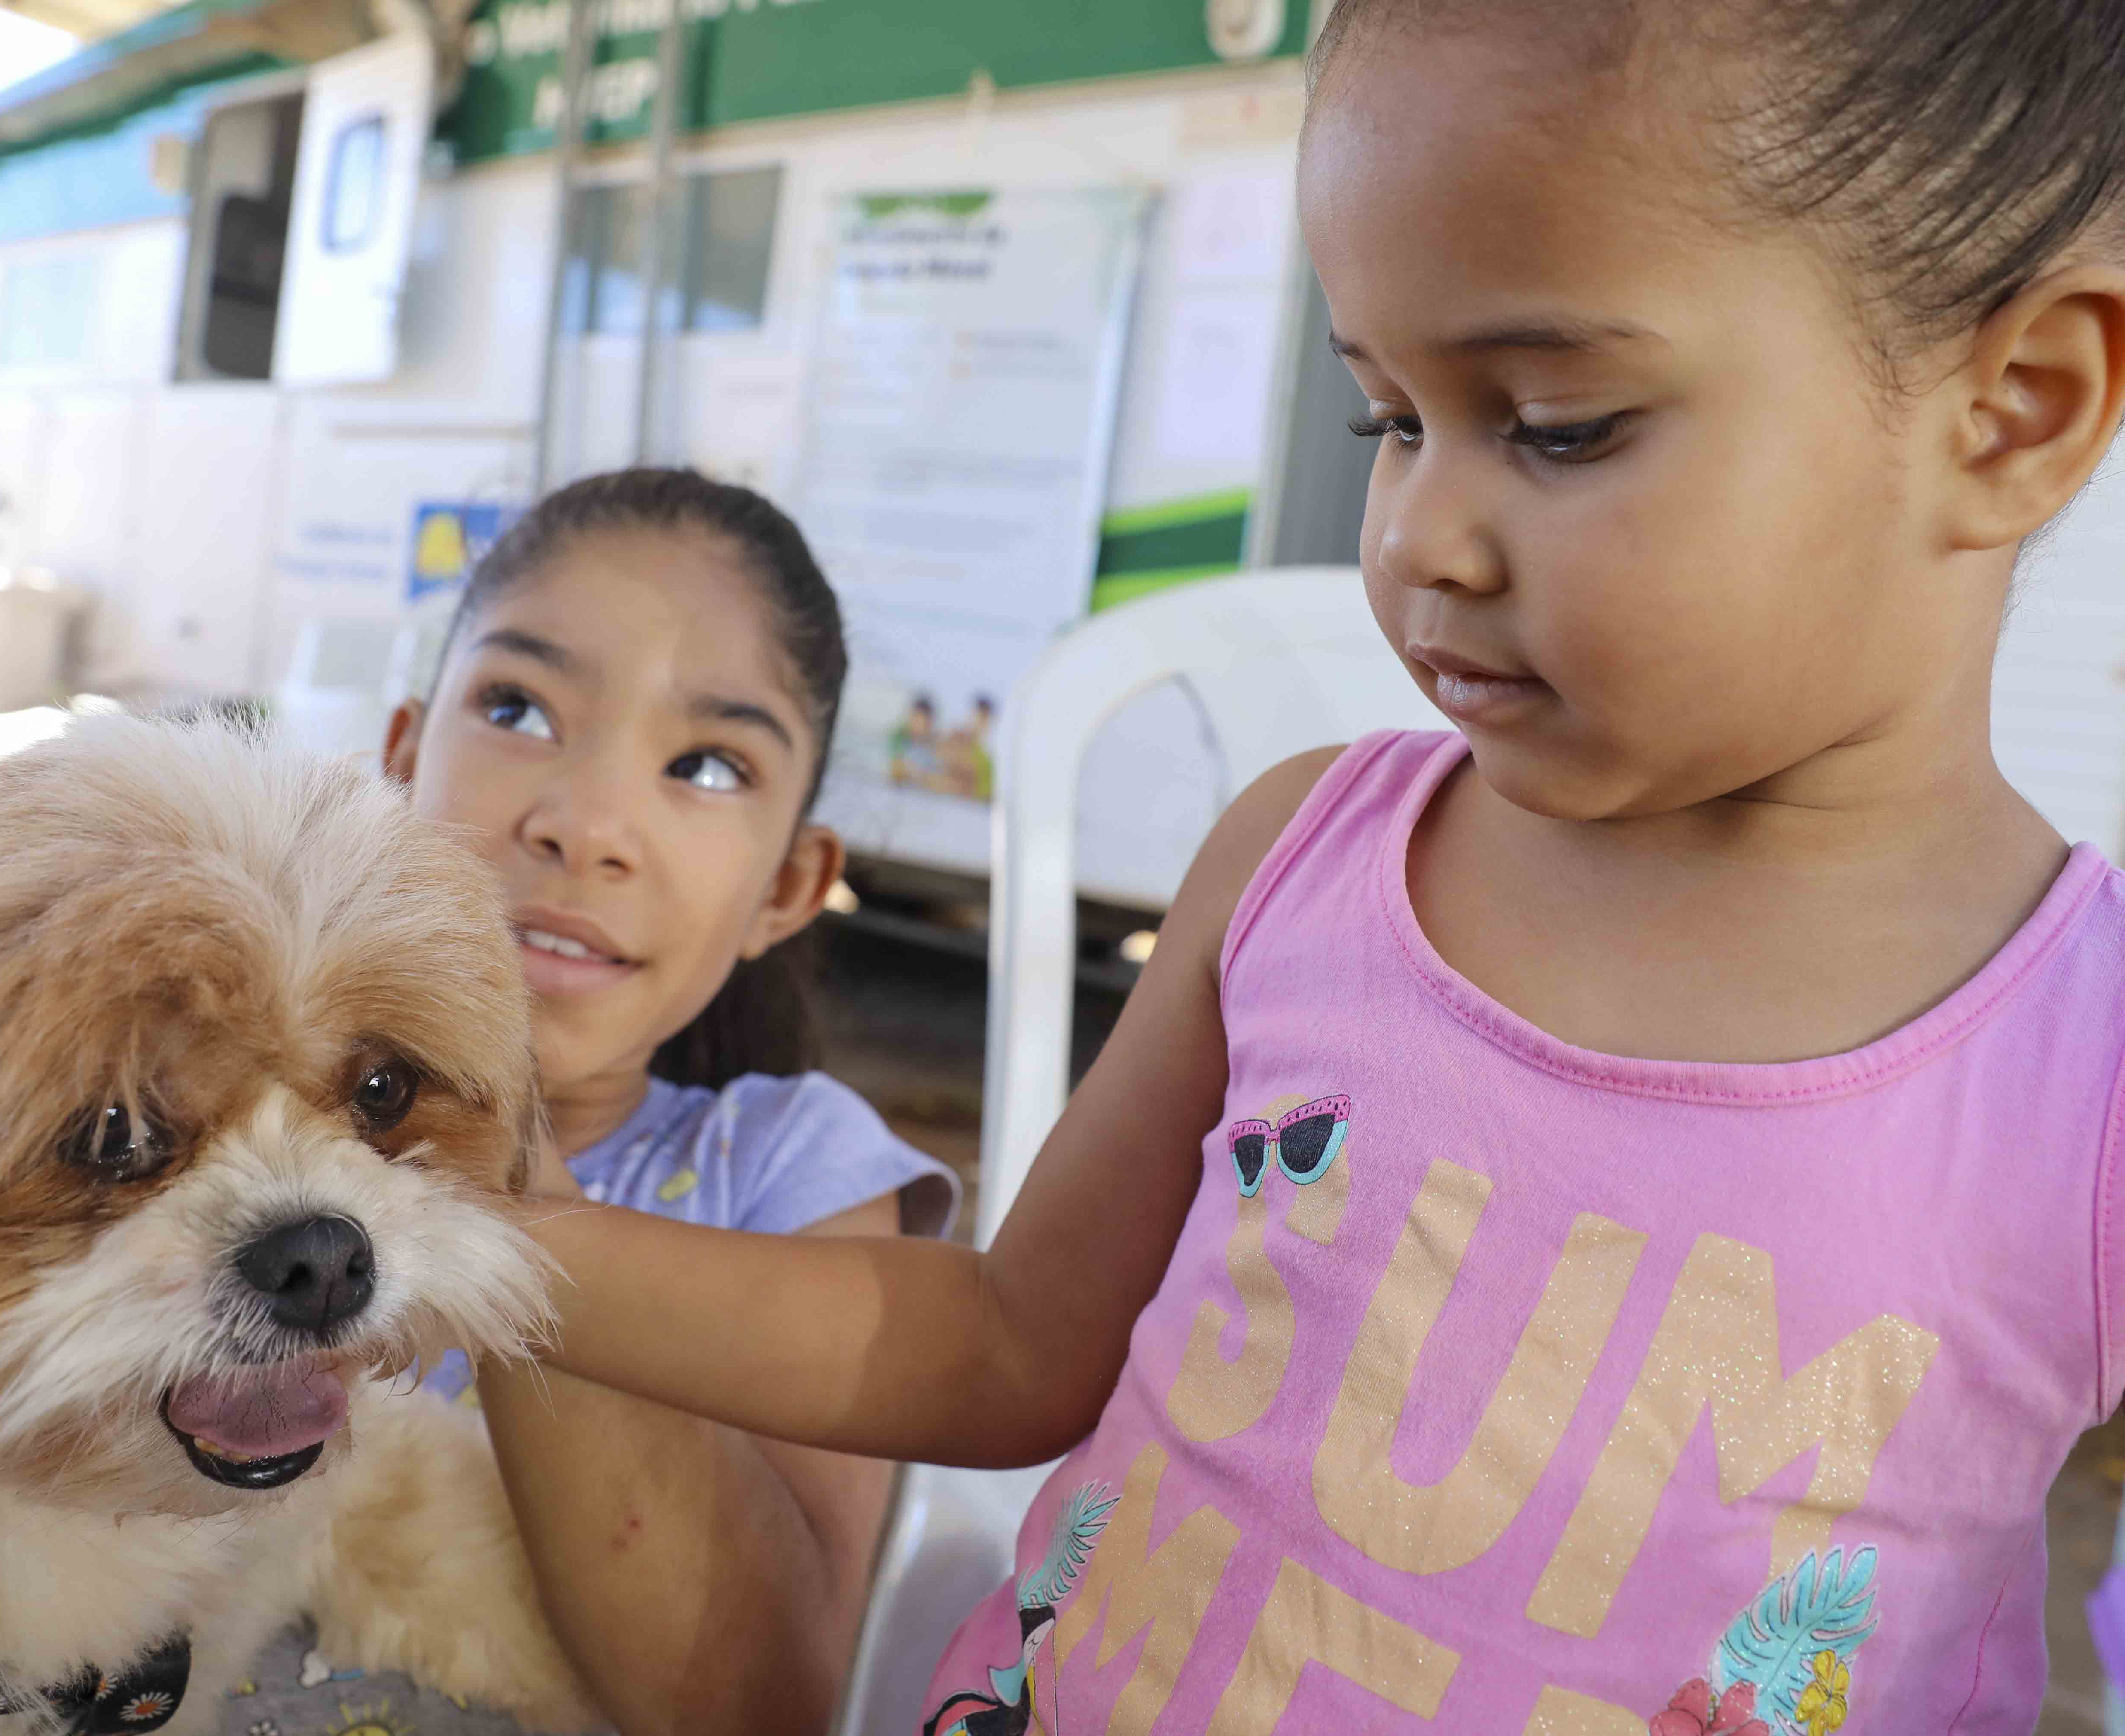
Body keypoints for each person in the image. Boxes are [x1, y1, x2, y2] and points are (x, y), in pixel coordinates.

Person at [508, 3, 2125, 1730]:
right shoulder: (1302, 859)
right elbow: (1000, 1344)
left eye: (1558, 423)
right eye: (1387, 422)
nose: (1417, 534)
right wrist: (467, 1244)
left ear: (2014, 412)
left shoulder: (2082, 1070)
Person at [219, 469, 956, 1736]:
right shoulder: (230, 1115)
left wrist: (518, 1182)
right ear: (401, 758)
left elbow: (763, 1705)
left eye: (710, 766)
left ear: (792, 882)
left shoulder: (795, 1174)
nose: (590, 824)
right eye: (517, 706)